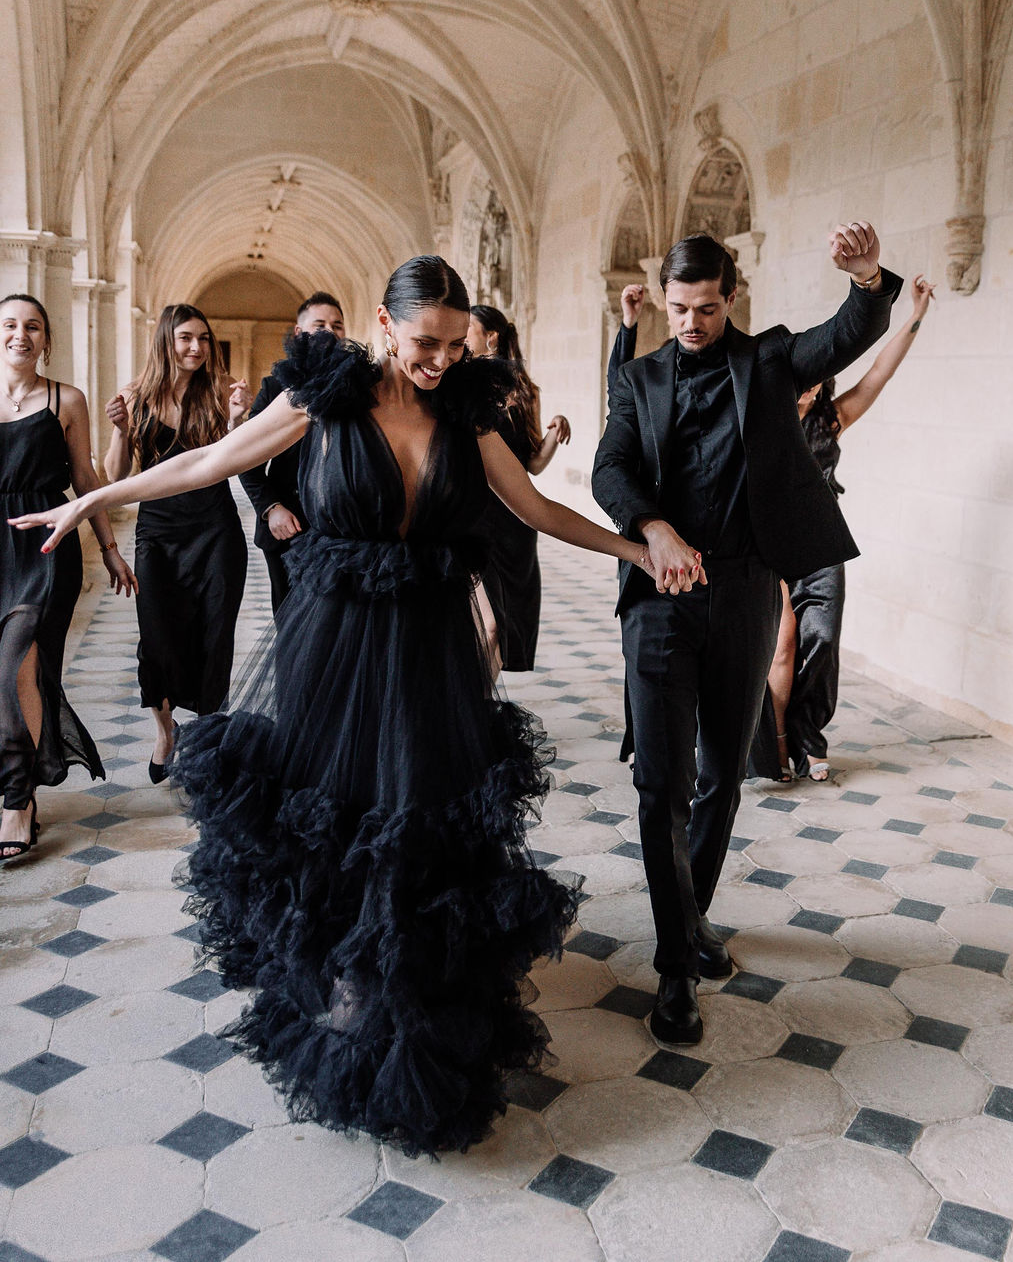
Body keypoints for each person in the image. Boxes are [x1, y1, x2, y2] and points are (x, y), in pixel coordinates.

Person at [13, 255, 655, 1157]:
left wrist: (638, 551)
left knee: (421, 825)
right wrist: (96, 498)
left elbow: (537, 508)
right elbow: (212, 459)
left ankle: (415, 1017)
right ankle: (347, 1007)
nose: (437, 360)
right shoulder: (326, 391)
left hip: (431, 648)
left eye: (452, 344)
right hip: (335, 644)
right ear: (385, 326)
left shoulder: (466, 408)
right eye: (424, 342)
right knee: (339, 822)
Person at [592, 223, 902, 1046]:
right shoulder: (637, 378)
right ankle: (673, 968)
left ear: (730, 299)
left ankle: (690, 916)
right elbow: (609, 467)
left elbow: (841, 337)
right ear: (662, 300)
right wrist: (650, 526)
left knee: (722, 773)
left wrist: (867, 279)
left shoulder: (764, 362)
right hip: (661, 592)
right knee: (661, 783)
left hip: (743, 593)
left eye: (705, 308)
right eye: (679, 308)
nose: (690, 322)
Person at [752, 273, 936, 783]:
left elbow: (878, 373)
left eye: (817, 375)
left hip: (823, 543)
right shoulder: (758, 421)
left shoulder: (830, 421)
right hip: (771, 547)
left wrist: (915, 315)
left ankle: (810, 737)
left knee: (824, 642)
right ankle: (778, 740)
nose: (809, 383)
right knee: (782, 643)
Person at [0, 294, 136, 861]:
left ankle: (16, 799)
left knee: (16, 663)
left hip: (44, 544)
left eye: (33, 326)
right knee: (10, 674)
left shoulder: (66, 400)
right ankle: (21, 779)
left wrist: (108, 546)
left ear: (47, 340)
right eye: (9, 325)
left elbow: (86, 477)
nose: (20, 335)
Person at [104, 304, 252, 782]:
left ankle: (207, 741)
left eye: (204, 338)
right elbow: (115, 476)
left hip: (215, 531)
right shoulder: (136, 396)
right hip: (158, 535)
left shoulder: (217, 394)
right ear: (165, 340)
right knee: (158, 639)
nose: (196, 347)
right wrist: (120, 430)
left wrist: (235, 421)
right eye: (186, 337)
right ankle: (166, 732)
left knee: (214, 638)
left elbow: (231, 461)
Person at [466, 303, 571, 675]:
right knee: (486, 625)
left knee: (504, 626)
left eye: (469, 330)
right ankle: (475, 718)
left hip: (516, 522)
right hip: (475, 516)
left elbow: (533, 465)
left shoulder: (525, 391)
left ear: (490, 337)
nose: (462, 338)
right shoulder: (460, 385)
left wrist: (554, 435)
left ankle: (481, 716)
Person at [238, 292, 346, 615]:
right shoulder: (274, 388)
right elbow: (247, 458)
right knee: (290, 622)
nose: (330, 331)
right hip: (288, 524)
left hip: (341, 531)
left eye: (338, 325)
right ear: (299, 333)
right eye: (320, 324)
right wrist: (271, 509)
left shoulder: (357, 390)